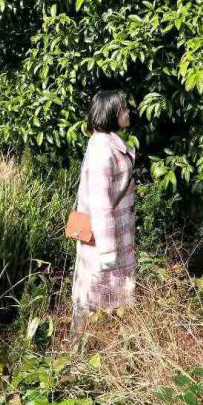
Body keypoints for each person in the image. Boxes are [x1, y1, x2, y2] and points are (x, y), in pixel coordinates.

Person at [70, 89, 136, 336]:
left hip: (112, 238)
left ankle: (104, 348)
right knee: (95, 299)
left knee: (106, 300)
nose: (127, 113)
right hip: (104, 243)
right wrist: (108, 251)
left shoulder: (106, 144)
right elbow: (100, 203)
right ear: (111, 113)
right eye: (123, 109)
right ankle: (83, 352)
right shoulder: (102, 150)